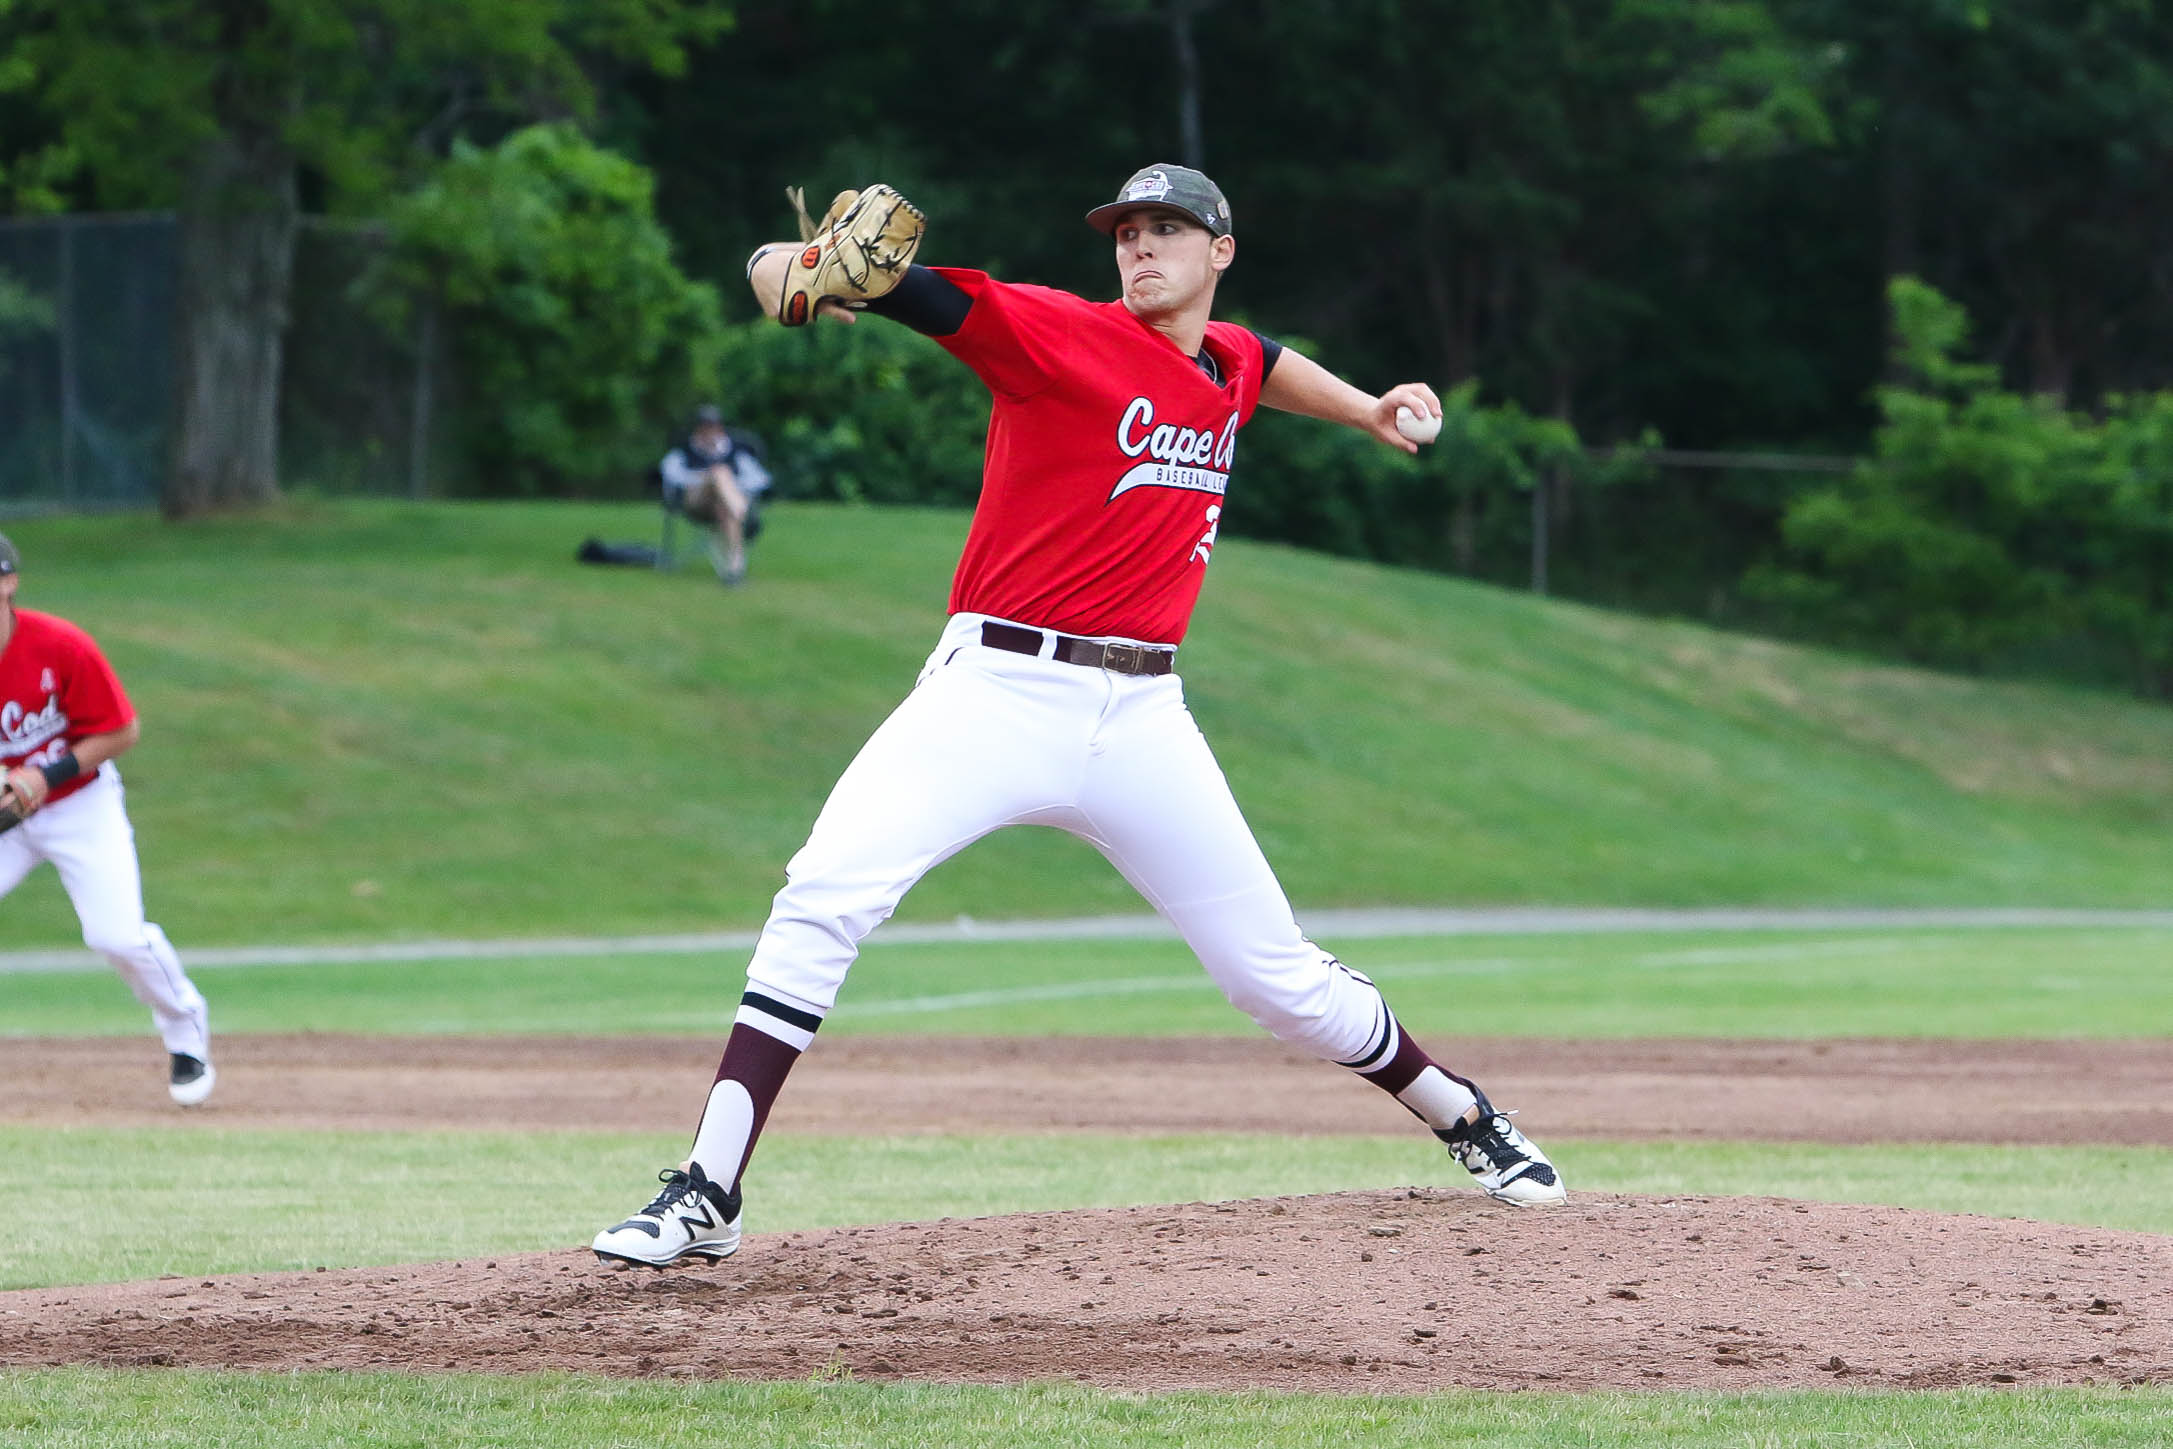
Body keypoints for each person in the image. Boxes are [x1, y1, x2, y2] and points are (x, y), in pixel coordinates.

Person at [592, 164, 1563, 1268]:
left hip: (1143, 715)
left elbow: (1262, 365)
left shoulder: (1224, 360)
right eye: (1127, 231)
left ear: (1220, 253)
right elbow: (906, 294)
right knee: (823, 894)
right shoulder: (1054, 333)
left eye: (1167, 229)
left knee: (1273, 980)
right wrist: (788, 269)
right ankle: (707, 1188)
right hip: (995, 691)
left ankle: (1464, 1115)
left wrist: (1368, 410)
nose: (1140, 246)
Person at [0, 531, 213, 1106]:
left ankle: (185, 1028)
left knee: (116, 935)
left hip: (79, 804)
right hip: (8, 815)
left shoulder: (60, 646)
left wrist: (45, 776)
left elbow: (122, 731)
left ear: (9, 584)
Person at [659, 404, 771, 586]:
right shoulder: (684, 450)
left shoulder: (736, 451)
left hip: (722, 506)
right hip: (695, 502)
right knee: (718, 473)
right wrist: (704, 477)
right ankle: (743, 513)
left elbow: (760, 479)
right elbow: (670, 475)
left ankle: (735, 569)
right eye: (704, 426)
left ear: (719, 428)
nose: (708, 431)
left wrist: (730, 484)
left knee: (724, 500)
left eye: (712, 426)